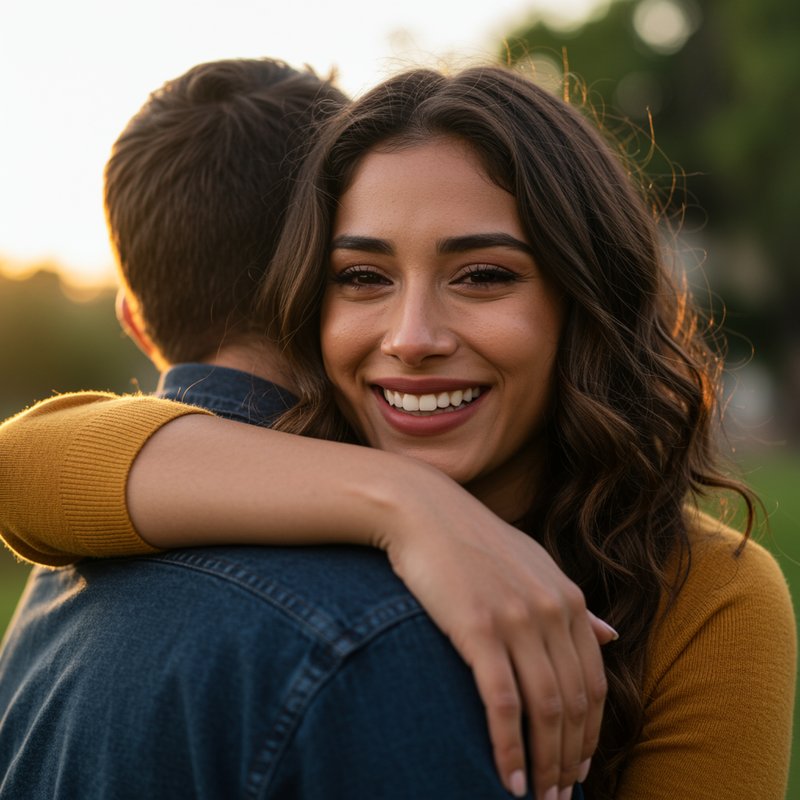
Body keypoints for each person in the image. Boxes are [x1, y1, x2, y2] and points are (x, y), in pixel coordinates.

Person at [1, 62, 794, 799]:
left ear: (586, 302)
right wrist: (403, 502)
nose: (412, 337)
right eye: (363, 278)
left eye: (484, 275)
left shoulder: (707, 597)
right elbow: (26, 466)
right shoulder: (302, 493)